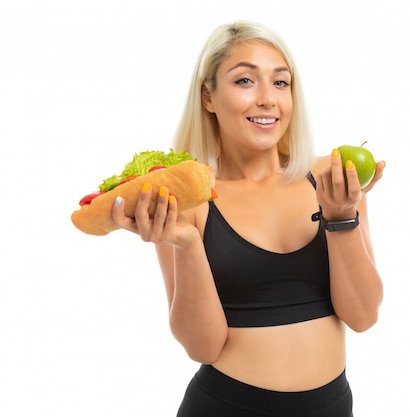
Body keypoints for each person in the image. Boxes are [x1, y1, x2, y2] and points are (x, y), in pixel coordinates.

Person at [111, 20, 385, 417]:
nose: (267, 99)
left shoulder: (334, 179)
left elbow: (363, 316)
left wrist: (341, 217)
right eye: (244, 81)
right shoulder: (189, 199)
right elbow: (201, 348)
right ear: (208, 96)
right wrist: (185, 244)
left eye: (280, 83)